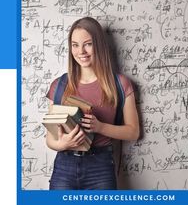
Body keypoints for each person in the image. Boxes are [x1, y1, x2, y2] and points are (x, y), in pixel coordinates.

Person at [46, 17, 140, 190]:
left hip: (101, 167)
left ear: (99, 45)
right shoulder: (59, 85)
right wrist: (63, 144)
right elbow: (51, 139)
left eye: (87, 44)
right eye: (75, 45)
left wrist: (100, 127)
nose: (81, 51)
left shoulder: (121, 84)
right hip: (64, 166)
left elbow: (133, 132)